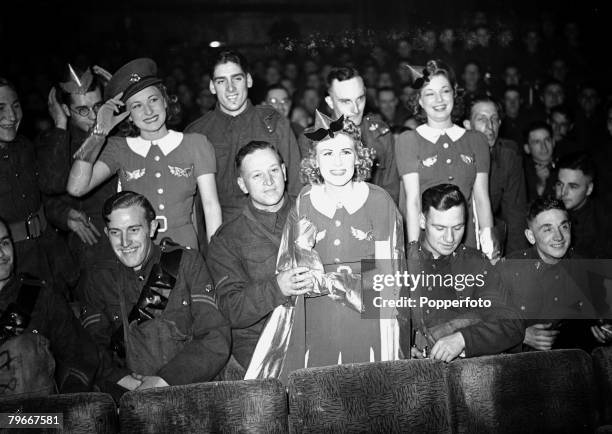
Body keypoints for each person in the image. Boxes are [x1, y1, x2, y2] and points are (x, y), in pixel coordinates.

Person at [249, 111, 404, 380]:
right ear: (315, 161)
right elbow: (290, 270)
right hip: (316, 321)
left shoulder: (380, 202)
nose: (338, 162)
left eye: (346, 152)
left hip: (367, 323)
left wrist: (331, 282)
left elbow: (388, 285)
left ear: (359, 156)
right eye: (327, 153)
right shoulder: (305, 201)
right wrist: (302, 258)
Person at [80, 191, 230, 399]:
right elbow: (90, 349)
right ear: (106, 233)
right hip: (129, 396)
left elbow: (215, 337)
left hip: (188, 389)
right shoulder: (99, 280)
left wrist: (164, 381)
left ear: (152, 228)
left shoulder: (186, 264)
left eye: (133, 229)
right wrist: (127, 382)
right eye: (116, 232)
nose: (125, 242)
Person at [67, 58, 221, 250]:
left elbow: (211, 207)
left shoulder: (196, 143)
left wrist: (216, 259)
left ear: (165, 100)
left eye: (153, 100)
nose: (148, 111)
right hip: (137, 253)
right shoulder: (118, 149)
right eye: (137, 106)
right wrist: (98, 132)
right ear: (128, 115)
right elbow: (76, 188)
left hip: (186, 254)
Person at [208, 141, 311, 375]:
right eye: (257, 175)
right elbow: (230, 309)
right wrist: (277, 287)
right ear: (242, 185)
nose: (269, 181)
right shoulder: (228, 239)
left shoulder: (314, 211)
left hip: (319, 339)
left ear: (284, 171)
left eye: (274, 170)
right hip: (262, 352)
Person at [402, 184, 524, 362]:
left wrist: (463, 340)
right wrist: (404, 347)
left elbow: (512, 325)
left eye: (458, 227)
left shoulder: (474, 263)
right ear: (422, 221)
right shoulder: (399, 261)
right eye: (440, 228)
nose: (450, 238)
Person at [395, 60, 498, 258]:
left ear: (454, 93)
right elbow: (413, 201)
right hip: (428, 244)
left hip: (466, 243)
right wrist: (415, 252)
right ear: (419, 100)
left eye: (445, 91)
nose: (439, 99)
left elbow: (482, 198)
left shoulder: (476, 140)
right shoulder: (409, 140)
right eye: (430, 93)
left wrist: (488, 244)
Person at [185, 50, 302, 224]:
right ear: (211, 86)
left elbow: (296, 187)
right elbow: (192, 203)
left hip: (272, 230)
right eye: (221, 81)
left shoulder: (275, 124)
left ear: (248, 80)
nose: (230, 88)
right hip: (220, 233)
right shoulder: (197, 133)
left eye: (237, 79)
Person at [37, 65, 117, 299]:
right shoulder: (55, 142)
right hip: (89, 250)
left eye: (97, 106)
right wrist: (64, 215)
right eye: (82, 110)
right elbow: (48, 190)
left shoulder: (119, 131)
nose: (93, 116)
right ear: (65, 109)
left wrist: (121, 92)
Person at [0, 218, 99, 398]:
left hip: (38, 417)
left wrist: (66, 408)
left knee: (24, 348)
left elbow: (79, 356)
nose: (1, 253)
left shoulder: (39, 295)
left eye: (5, 242)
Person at [500, 197, 612, 352]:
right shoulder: (510, 268)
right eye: (547, 229)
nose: (559, 237)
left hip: (570, 361)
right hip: (520, 363)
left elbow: (598, 321)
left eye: (563, 227)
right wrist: (521, 335)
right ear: (531, 236)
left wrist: (605, 331)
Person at [0, 77, 71, 288]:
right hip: (13, 265)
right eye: (0, 108)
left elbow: (52, 186)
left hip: (49, 255)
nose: (12, 116)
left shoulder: (24, 146)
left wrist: (60, 124)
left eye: (16, 106)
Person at [299, 67, 400, 204]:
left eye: (360, 99)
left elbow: (391, 191)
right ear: (329, 101)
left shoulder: (380, 134)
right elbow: (312, 194)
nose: (356, 109)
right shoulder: (312, 139)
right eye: (346, 101)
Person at [463, 97, 528, 254]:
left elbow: (515, 217)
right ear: (467, 125)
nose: (489, 126)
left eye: (494, 119)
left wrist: (516, 266)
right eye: (481, 119)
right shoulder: (454, 153)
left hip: (489, 237)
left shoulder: (508, 157)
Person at [555, 152, 612, 258]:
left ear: (589, 189)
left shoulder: (603, 222)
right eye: (560, 184)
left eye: (572, 186)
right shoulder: (546, 212)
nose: (563, 192)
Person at [523, 121, 557, 203]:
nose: (544, 146)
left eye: (547, 140)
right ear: (527, 148)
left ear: (553, 142)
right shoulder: (522, 173)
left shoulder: (565, 165)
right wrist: (541, 183)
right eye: (537, 142)